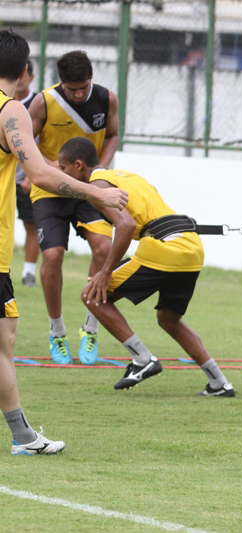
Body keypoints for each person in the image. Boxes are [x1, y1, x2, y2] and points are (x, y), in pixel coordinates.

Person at [0, 28, 128, 454]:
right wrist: (98, 192)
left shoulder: (103, 100)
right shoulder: (15, 109)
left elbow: (109, 135)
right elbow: (38, 173)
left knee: (5, 337)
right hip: (32, 214)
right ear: (23, 72)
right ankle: (24, 435)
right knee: (5, 338)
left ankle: (23, 436)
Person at [58, 137, 236, 397]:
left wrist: (105, 272)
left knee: (91, 294)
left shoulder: (97, 187)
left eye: (63, 169)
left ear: (78, 165)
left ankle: (142, 359)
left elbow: (127, 225)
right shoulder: (127, 175)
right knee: (169, 319)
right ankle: (219, 383)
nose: (63, 175)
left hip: (164, 248)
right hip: (191, 247)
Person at [28, 50, 120, 366]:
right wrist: (50, 169)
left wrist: (101, 172)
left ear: (91, 79)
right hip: (50, 189)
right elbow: (24, 144)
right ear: (61, 83)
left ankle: (91, 329)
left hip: (87, 189)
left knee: (104, 248)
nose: (79, 94)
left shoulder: (107, 99)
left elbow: (113, 135)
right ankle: (57, 332)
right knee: (52, 256)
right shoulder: (43, 102)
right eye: (72, 89)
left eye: (83, 87)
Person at [13, 59, 38, 287]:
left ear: (30, 76)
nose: (19, 81)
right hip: (4, 177)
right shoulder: (5, 101)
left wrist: (32, 174)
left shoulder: (38, 104)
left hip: (24, 179)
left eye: (24, 76)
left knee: (31, 224)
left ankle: (29, 272)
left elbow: (42, 142)